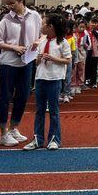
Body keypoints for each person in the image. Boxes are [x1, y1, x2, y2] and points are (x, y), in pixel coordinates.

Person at [0, 0, 43, 148]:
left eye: (12, 3)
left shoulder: (34, 16)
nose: (10, 7)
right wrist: (13, 47)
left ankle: (14, 127)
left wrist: (37, 42)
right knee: (5, 96)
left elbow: (43, 34)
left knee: (23, 94)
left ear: (21, 0)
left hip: (27, 60)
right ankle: (2, 132)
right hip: (9, 62)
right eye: (8, 4)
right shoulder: (6, 20)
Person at [25, 14, 72, 150]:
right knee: (39, 110)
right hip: (40, 78)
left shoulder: (62, 42)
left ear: (50, 26)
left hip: (54, 78)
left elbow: (68, 60)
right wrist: (39, 59)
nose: (41, 27)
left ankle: (54, 139)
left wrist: (53, 58)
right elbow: (36, 61)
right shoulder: (42, 41)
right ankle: (38, 138)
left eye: (43, 24)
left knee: (53, 110)